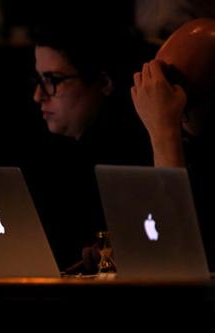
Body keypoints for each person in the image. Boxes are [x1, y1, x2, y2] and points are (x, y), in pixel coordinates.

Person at [28, 19, 152, 271]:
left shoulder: (137, 155)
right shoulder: (58, 153)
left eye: (52, 79)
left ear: (104, 82)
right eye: (39, 79)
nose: (38, 95)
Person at [131, 18, 215, 270]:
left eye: (175, 88)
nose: (163, 98)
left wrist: (163, 132)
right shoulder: (188, 144)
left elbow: (177, 258)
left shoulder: (167, 133)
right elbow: (154, 242)